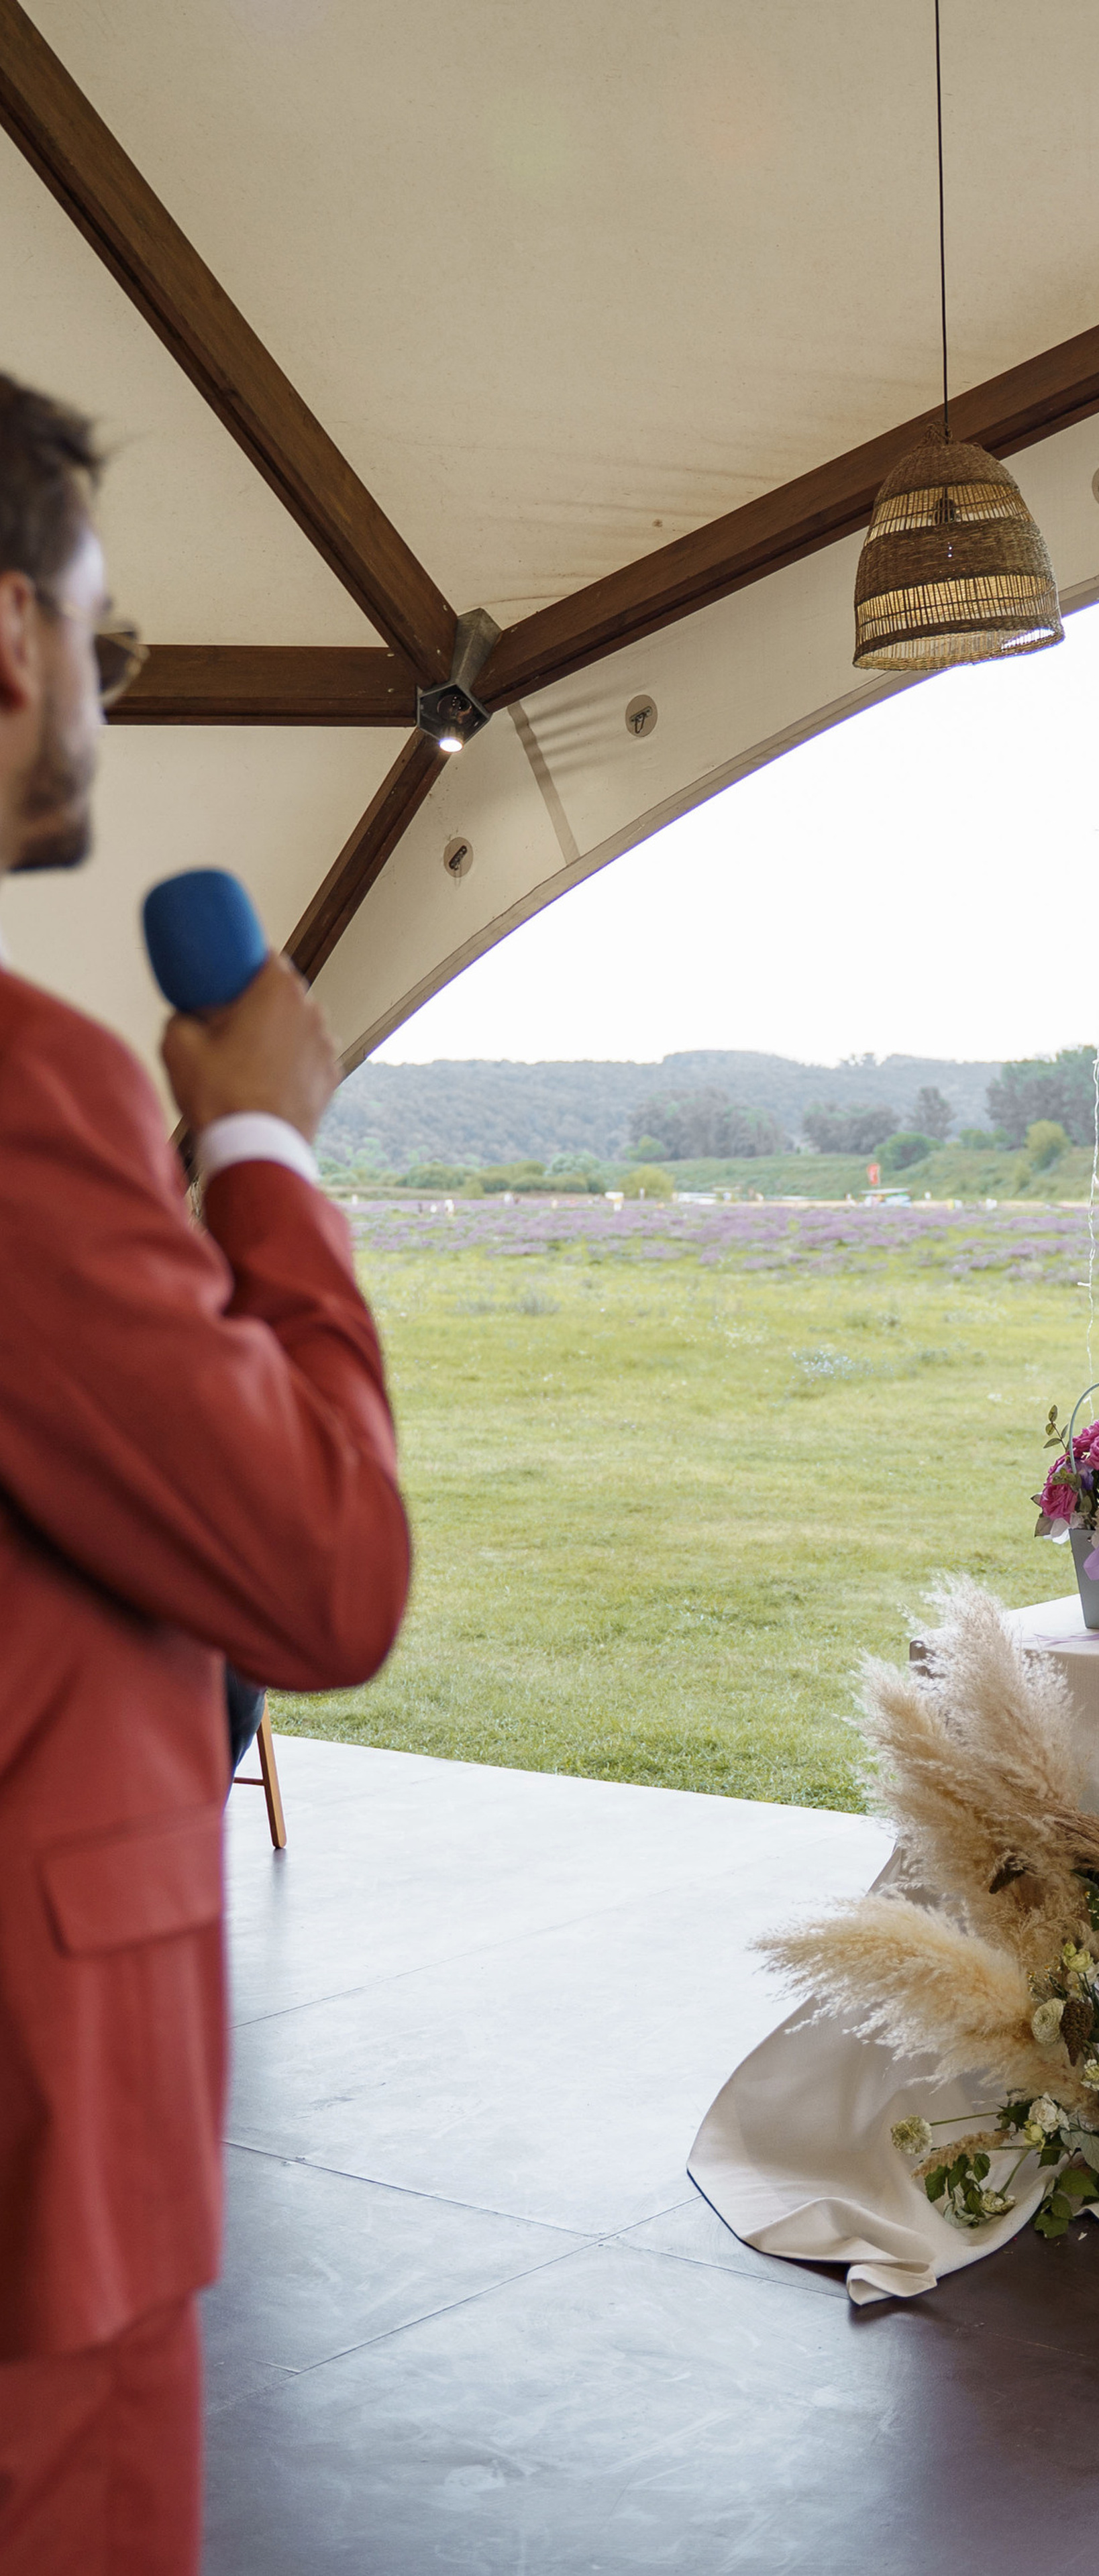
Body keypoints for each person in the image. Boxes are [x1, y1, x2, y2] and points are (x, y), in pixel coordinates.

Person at [0, 376, 411, 2571]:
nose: (99, 680)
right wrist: (261, 1149)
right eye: (95, 626)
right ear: (6, 643)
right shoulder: (21, 1087)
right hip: (32, 2154)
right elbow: (323, 1578)